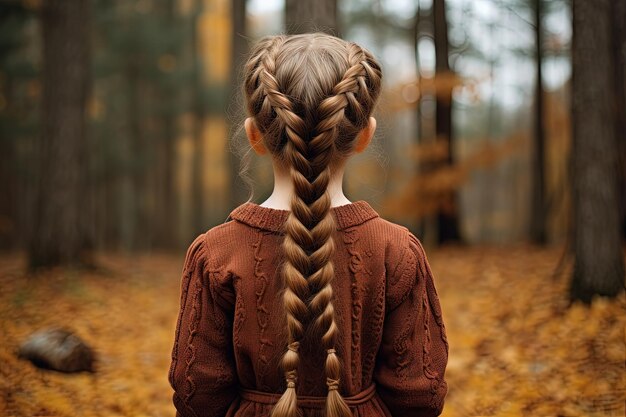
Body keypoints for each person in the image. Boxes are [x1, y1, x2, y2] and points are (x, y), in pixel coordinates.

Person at [168, 33, 449, 417]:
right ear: (365, 134)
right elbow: (420, 395)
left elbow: (196, 395)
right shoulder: (396, 251)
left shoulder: (215, 254)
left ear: (255, 136)